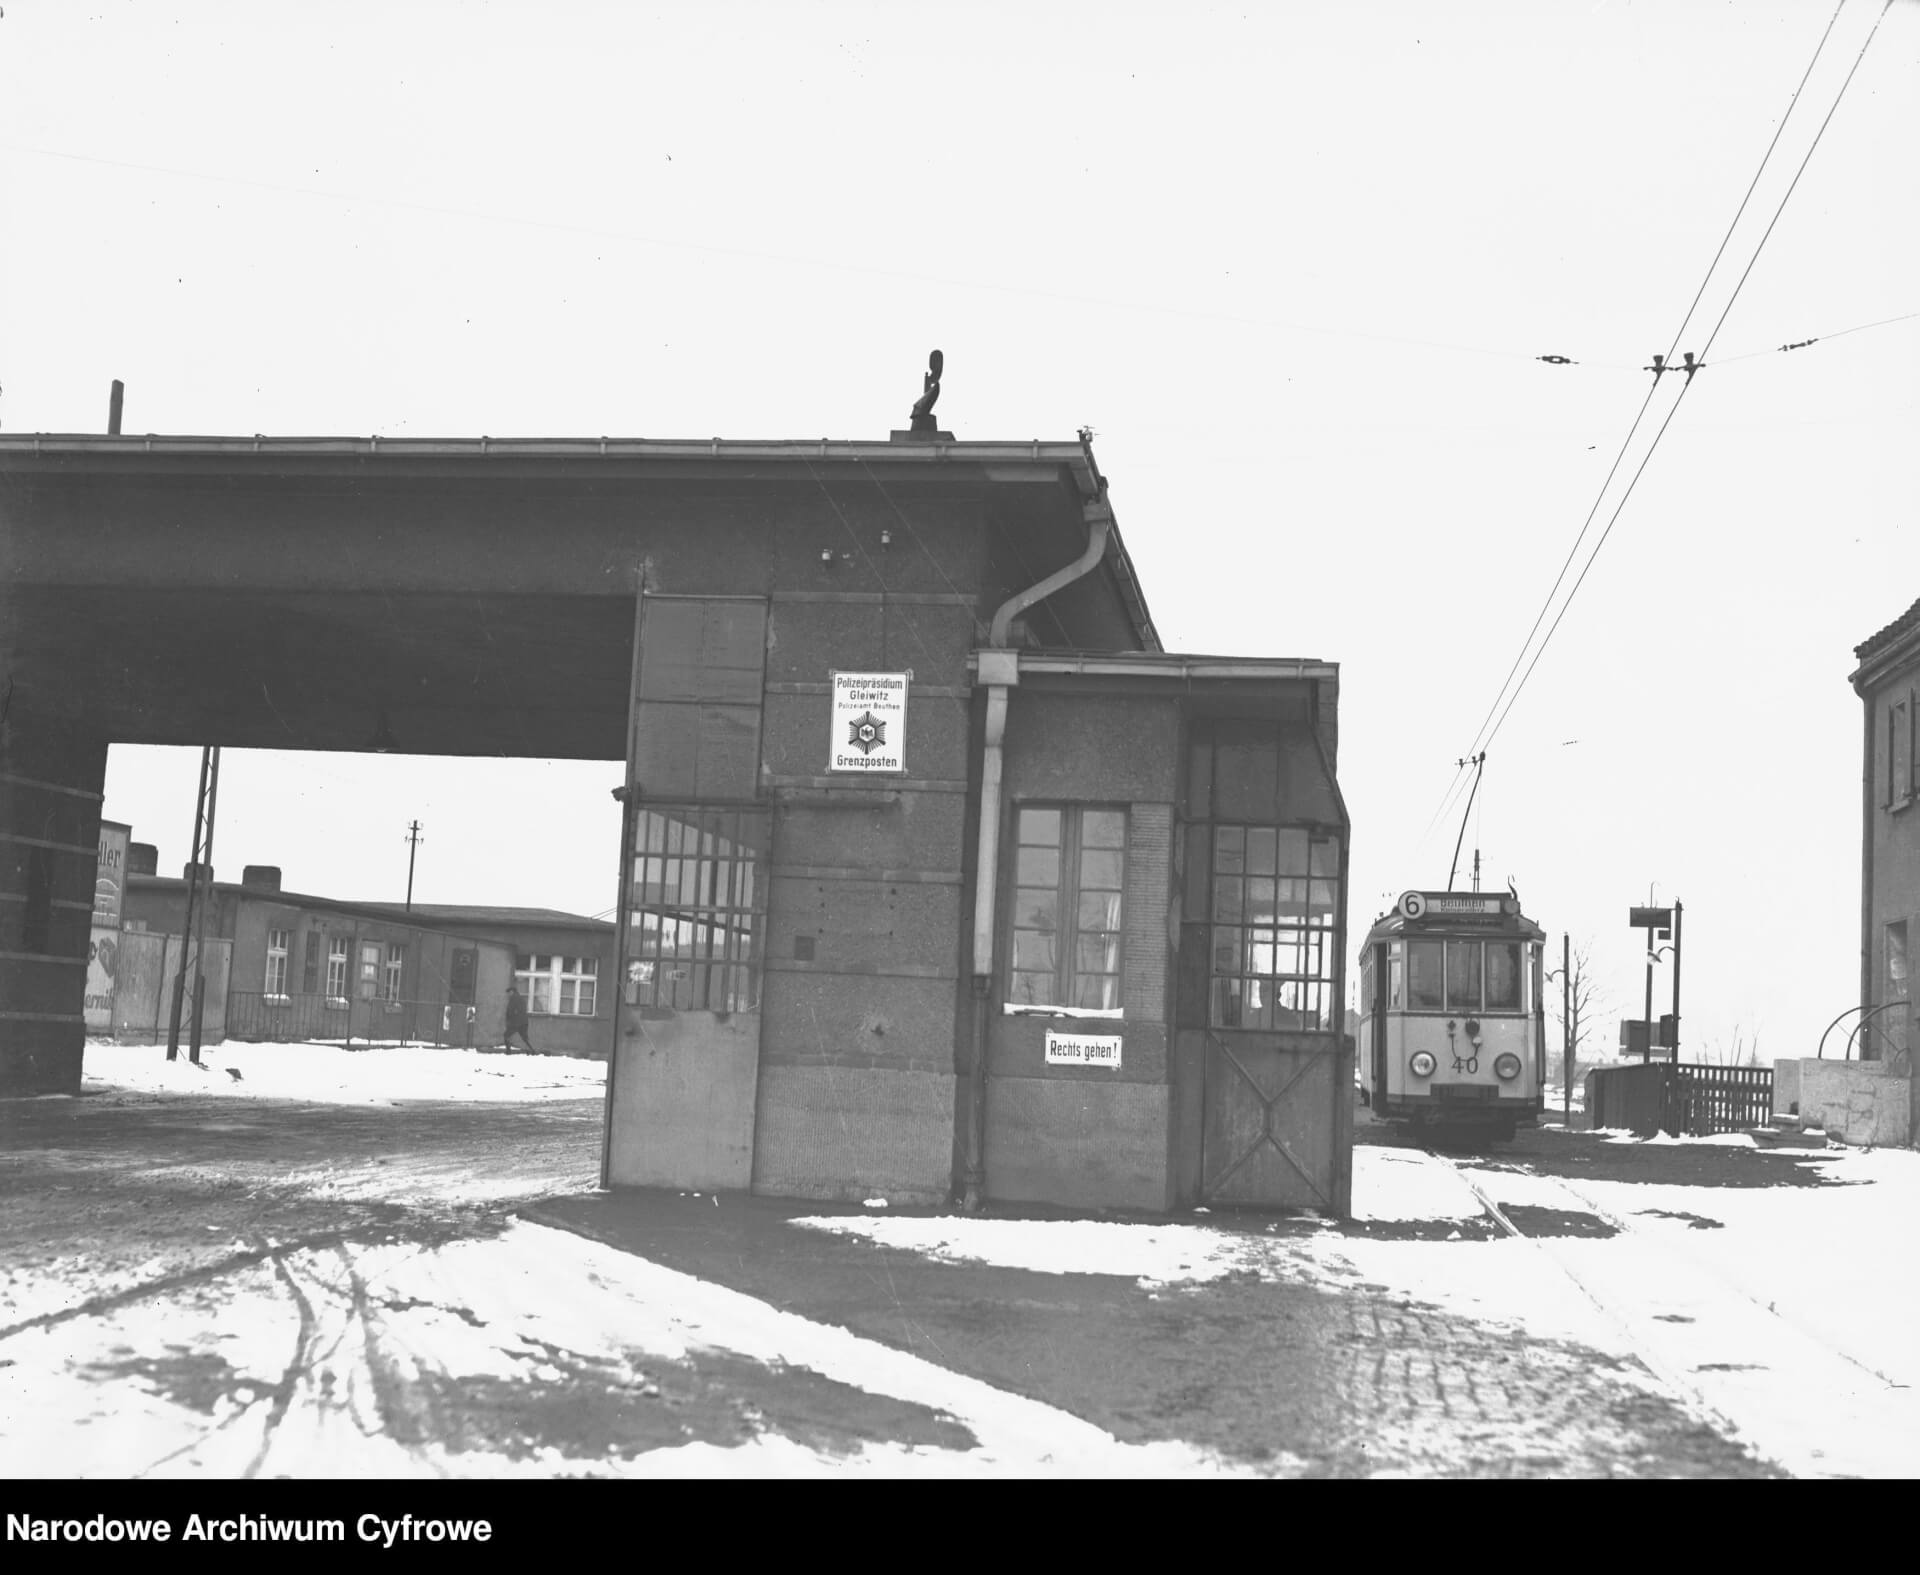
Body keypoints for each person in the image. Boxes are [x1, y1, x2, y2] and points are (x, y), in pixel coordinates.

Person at [504, 986, 535, 1053]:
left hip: (516, 1022)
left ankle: (508, 1051)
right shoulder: (521, 998)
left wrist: (508, 1019)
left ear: (512, 992)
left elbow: (510, 1010)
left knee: (506, 1035)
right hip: (524, 1022)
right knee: (525, 1038)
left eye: (509, 993)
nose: (508, 994)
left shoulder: (513, 998)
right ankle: (532, 1050)